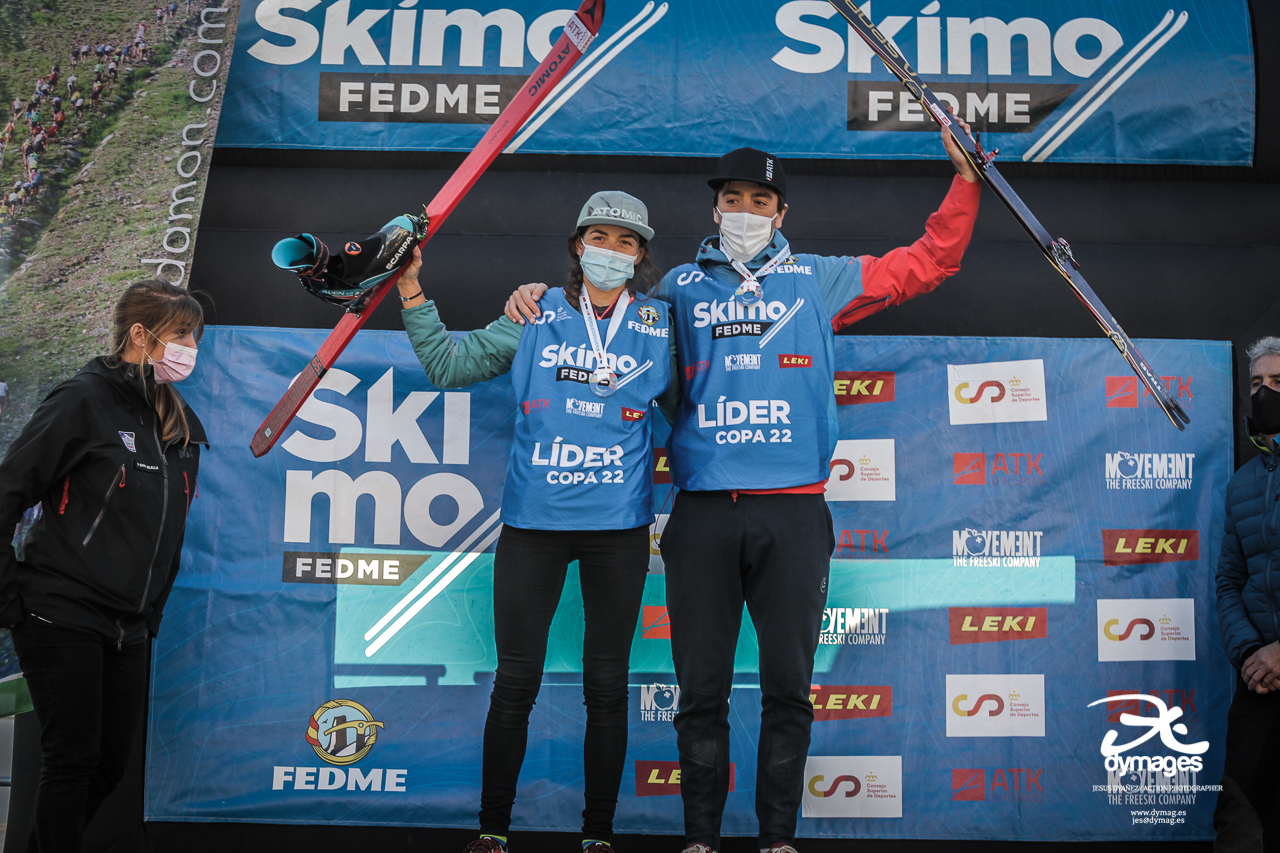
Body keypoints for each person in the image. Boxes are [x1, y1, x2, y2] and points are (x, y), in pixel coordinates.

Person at [507, 122, 980, 853]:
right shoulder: (676, 287)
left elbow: (928, 262)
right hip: (703, 514)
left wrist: (967, 182)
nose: (746, 211)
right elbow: (603, 323)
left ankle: (777, 839)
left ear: (782, 212)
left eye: (761, 200)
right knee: (701, 692)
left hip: (793, 514)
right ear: (716, 208)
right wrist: (536, 294)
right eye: (733, 198)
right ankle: (700, 839)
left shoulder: (818, 278)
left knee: (789, 688)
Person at [395, 192, 674, 853]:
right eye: (600, 237)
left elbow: (704, 399)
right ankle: (493, 830)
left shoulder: (662, 321)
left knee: (606, 685)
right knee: (515, 681)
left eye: (627, 241)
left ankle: (598, 836)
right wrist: (408, 287)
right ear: (578, 244)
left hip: (618, 528)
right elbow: (449, 364)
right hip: (533, 525)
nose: (612, 250)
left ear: (641, 255)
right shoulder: (536, 310)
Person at [0, 280, 206, 853]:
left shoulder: (175, 418)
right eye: (183, 333)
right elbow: (8, 492)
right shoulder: (83, 399)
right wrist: (10, 599)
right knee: (70, 760)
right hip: (60, 611)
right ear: (140, 334)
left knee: (108, 765)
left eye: (195, 335)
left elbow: (169, 524)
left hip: (128, 626)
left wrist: (151, 613)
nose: (192, 347)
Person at [1214, 335, 1280, 851]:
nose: (1264, 393)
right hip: (1259, 682)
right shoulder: (1241, 483)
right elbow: (1229, 581)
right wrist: (1253, 655)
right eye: (1256, 383)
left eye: (1277, 382)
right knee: (1240, 817)